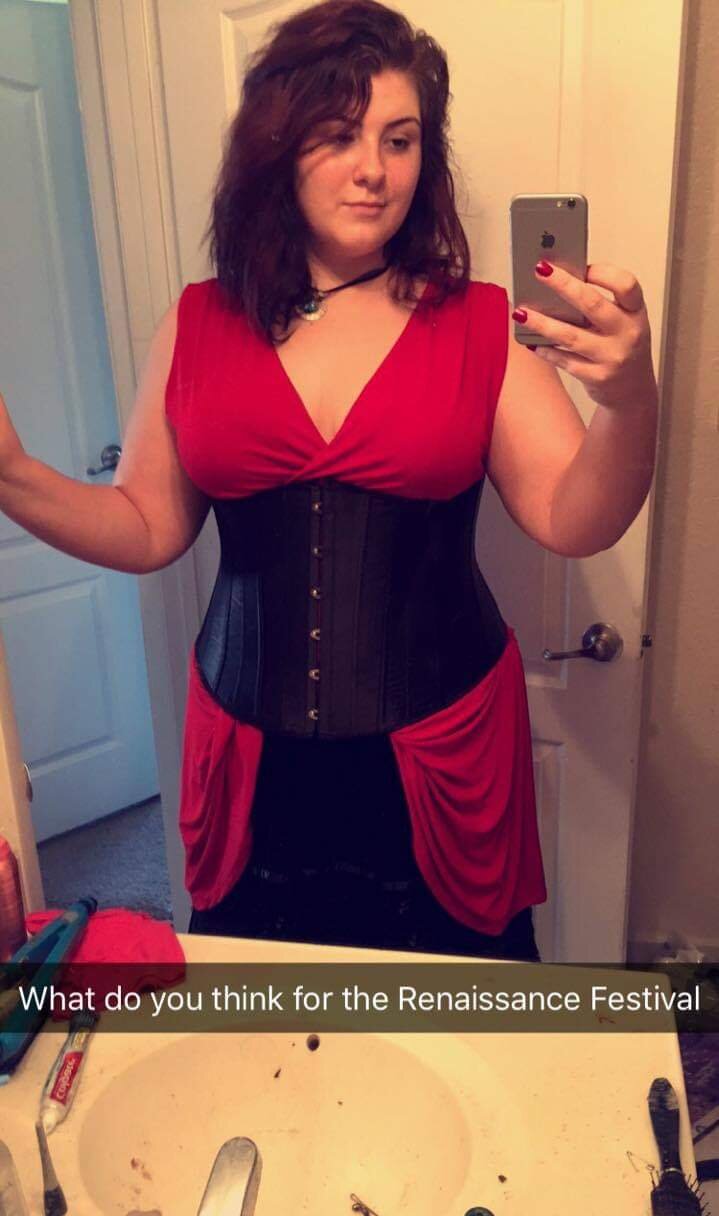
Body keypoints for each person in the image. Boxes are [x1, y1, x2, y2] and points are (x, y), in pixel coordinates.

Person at [0, 0, 658, 962]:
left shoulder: (479, 322)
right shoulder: (198, 322)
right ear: (278, 144)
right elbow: (145, 525)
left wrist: (628, 399)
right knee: (263, 1020)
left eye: (400, 138)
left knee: (453, 1023)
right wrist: (13, 475)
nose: (373, 169)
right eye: (339, 134)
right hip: (249, 757)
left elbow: (573, 518)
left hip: (438, 752)